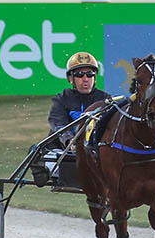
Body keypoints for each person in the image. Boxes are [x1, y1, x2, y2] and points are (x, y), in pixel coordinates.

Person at [32, 52, 110, 186]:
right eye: (80, 75)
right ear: (70, 79)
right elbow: (58, 123)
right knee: (35, 151)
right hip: (64, 152)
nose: (85, 79)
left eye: (90, 74)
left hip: (94, 154)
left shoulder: (105, 99)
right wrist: (70, 142)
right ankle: (45, 173)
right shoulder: (62, 98)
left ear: (95, 77)